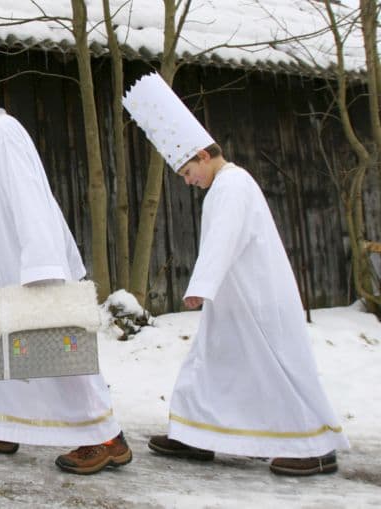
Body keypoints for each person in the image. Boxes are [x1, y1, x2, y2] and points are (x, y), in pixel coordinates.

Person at [122, 72, 349, 476]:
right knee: (210, 365)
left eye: (187, 172)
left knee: (274, 369)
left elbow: (223, 240)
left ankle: (311, 443)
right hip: (236, 302)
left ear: (203, 155)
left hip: (256, 303)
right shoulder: (226, 184)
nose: (188, 181)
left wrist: (201, 285)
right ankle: (198, 434)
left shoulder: (231, 185)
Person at [0, 35, 131, 475]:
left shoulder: (3, 134)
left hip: (28, 267)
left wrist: (41, 266)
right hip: (2, 268)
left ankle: (103, 436)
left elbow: (29, 199)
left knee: (58, 351)